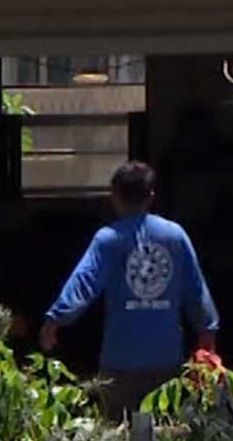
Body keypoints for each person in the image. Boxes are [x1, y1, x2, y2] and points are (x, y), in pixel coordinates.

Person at [39, 162, 220, 419]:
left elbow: (84, 281)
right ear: (151, 196)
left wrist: (55, 319)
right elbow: (195, 288)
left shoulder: (108, 239)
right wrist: (207, 329)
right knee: (165, 436)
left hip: (120, 361)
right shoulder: (175, 236)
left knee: (118, 438)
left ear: (115, 197)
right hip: (166, 358)